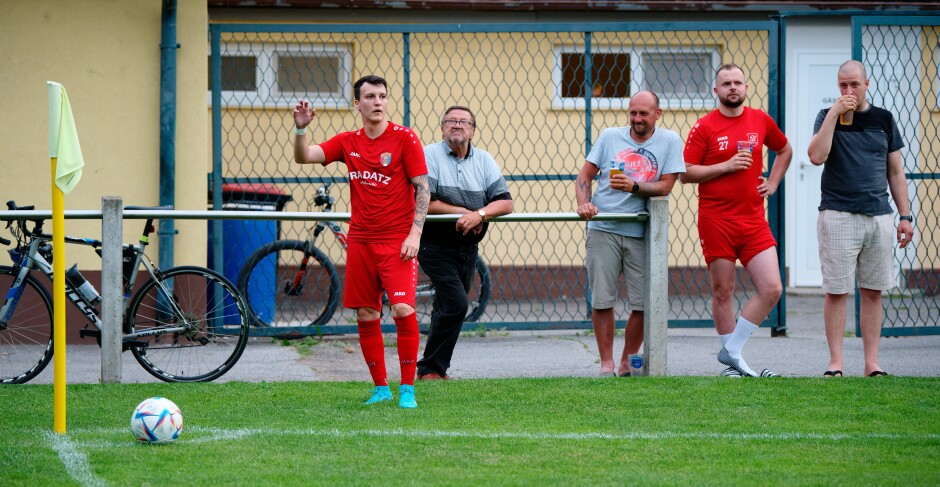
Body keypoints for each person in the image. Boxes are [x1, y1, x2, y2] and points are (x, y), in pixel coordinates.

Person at [293, 75, 429, 408]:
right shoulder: (348, 141)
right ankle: (381, 388)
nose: (378, 102)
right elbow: (304, 156)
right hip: (361, 241)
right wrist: (300, 129)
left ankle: (407, 389)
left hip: (397, 240)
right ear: (358, 104)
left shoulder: (405, 138)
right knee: (367, 314)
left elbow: (422, 188)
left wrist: (415, 233)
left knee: (402, 308)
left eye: (383, 96)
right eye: (370, 96)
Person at [680, 64, 793, 378]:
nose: (733, 88)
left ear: (746, 87)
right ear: (716, 90)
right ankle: (735, 368)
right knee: (723, 291)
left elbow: (784, 150)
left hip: (754, 219)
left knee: (771, 288)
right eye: (726, 83)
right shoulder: (704, 127)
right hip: (716, 219)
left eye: (738, 82)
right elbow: (686, 173)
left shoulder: (759, 120)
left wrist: (773, 182)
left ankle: (731, 352)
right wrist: (727, 165)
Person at [807, 60, 913, 378]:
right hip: (837, 213)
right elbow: (815, 156)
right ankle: (836, 364)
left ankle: (872, 364)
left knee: (872, 292)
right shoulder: (827, 117)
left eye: (854, 85)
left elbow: (895, 171)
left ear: (868, 84)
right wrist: (834, 115)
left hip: (878, 216)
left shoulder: (884, 119)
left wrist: (905, 216)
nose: (848, 91)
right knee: (837, 291)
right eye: (842, 85)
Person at [575, 90, 685, 377]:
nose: (637, 118)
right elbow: (584, 175)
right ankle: (606, 363)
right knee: (601, 299)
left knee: (644, 302)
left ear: (657, 114)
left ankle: (626, 361)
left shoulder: (670, 141)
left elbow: (665, 187)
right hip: (604, 229)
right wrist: (584, 203)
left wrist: (634, 187)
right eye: (633, 112)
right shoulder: (611, 136)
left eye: (643, 113)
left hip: (641, 231)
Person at [416, 106, 514, 380]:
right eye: (451, 121)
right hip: (434, 245)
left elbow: (505, 202)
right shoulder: (429, 154)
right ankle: (431, 368)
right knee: (458, 304)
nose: (457, 126)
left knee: (446, 308)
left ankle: (432, 370)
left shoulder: (484, 160)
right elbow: (428, 203)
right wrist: (465, 213)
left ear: (472, 129)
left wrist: (480, 214)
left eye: (463, 122)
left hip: (468, 248)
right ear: (442, 127)